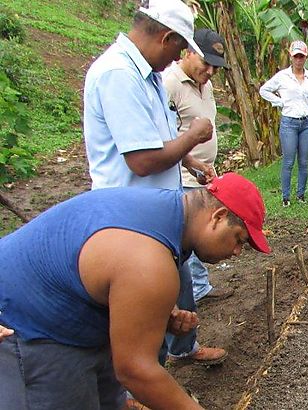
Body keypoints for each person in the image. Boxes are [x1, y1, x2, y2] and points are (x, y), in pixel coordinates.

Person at [0, 173, 271, 410]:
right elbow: (134, 371)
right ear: (218, 216)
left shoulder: (168, 210)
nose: (236, 252)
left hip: (71, 311)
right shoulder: (149, 261)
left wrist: (155, 314)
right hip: (27, 328)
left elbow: (115, 273)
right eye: (239, 239)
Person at [82, 0, 226, 368]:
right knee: (142, 310)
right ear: (166, 38)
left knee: (176, 293)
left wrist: (188, 160)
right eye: (180, 48)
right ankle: (137, 388)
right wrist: (193, 136)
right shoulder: (118, 74)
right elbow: (142, 160)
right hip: (128, 217)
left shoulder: (144, 74)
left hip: (158, 210)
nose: (178, 57)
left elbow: (156, 141)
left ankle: (174, 356)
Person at [163, 28, 232, 304]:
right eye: (206, 63)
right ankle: (189, 295)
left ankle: (199, 288)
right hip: (179, 177)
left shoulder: (207, 84)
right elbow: (165, 137)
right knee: (189, 237)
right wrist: (189, 164)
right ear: (189, 52)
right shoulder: (170, 84)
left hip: (200, 172)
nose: (211, 71)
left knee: (199, 231)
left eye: (215, 66)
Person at [259, 40, 308, 207]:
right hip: (289, 122)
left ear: (305, 58)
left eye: (302, 57)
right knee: (289, 161)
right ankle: (285, 196)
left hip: (306, 122)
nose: (299, 60)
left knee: (303, 161)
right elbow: (264, 90)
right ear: (291, 57)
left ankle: (301, 194)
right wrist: (279, 101)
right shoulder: (283, 76)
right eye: (296, 56)